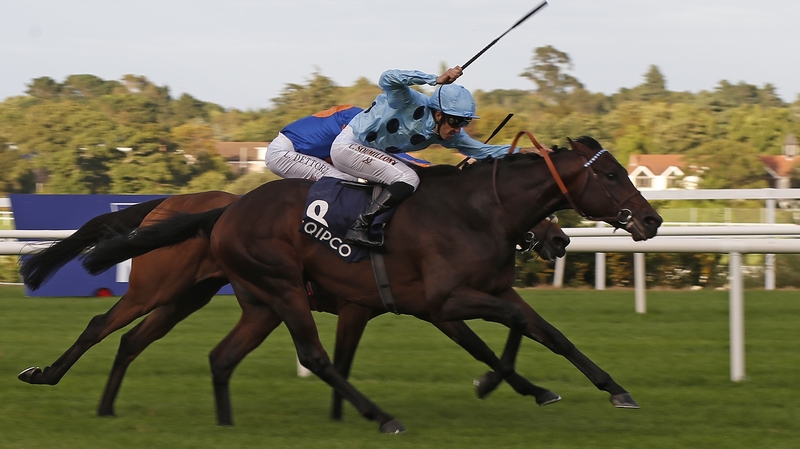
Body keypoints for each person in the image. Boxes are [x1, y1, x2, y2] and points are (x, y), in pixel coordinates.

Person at [329, 66, 542, 249]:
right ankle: (360, 227)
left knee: (422, 180)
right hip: (349, 146)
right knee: (409, 178)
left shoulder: (447, 135)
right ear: (439, 115)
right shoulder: (407, 100)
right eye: (456, 122)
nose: (459, 130)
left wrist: (523, 152)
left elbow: (484, 152)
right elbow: (388, 77)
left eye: (464, 123)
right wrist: (435, 79)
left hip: (369, 154)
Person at [265, 104, 362, 181]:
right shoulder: (356, 116)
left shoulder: (361, 119)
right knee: (337, 179)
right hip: (283, 152)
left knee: (352, 179)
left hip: (294, 151)